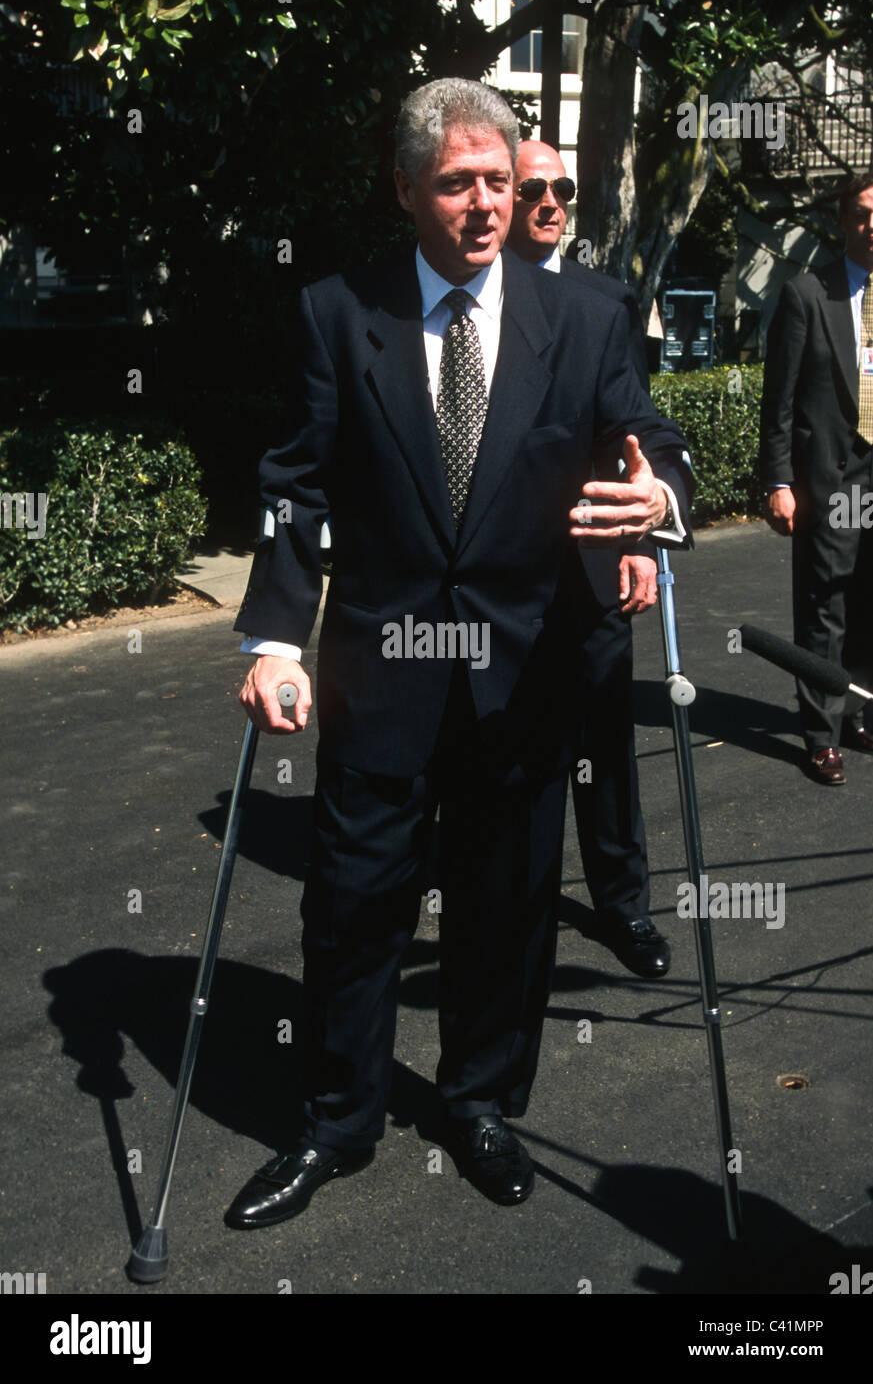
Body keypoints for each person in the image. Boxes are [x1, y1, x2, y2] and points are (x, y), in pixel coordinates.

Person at [225, 78, 693, 1229]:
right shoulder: (341, 312)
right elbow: (297, 487)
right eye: (458, 183)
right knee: (352, 906)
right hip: (380, 674)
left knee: (506, 904)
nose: (486, 205)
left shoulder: (581, 316)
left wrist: (659, 500)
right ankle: (337, 1118)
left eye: (500, 180)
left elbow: (652, 442)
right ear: (406, 190)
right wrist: (277, 638)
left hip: (524, 677)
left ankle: (482, 1100)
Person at [505, 138, 685, 977]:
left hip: (589, 573)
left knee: (604, 753)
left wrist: (645, 537)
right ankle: (511, 919)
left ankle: (624, 909)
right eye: (530, 186)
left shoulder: (603, 301)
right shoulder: (450, 303)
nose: (549, 201)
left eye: (562, 188)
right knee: (503, 760)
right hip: (489, 589)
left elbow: (636, 439)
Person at [761, 171, 873, 785]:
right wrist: (778, 480)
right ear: (842, 220)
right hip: (831, 478)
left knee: (868, 602)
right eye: (861, 213)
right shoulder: (808, 294)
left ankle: (858, 712)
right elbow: (777, 401)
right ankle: (820, 734)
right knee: (824, 606)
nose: (872, 224)